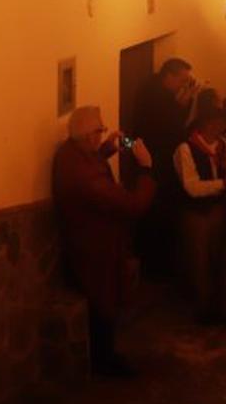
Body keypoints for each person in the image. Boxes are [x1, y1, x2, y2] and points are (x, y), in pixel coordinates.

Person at [52, 105, 155, 377]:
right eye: (101, 130)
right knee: (103, 302)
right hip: (95, 246)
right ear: (88, 136)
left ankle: (105, 357)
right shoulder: (85, 175)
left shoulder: (70, 153)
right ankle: (104, 361)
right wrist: (146, 169)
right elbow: (133, 205)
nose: (103, 133)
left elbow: (90, 163)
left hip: (89, 241)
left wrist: (108, 149)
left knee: (104, 300)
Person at [174, 110, 226, 327]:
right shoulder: (185, 149)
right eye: (217, 124)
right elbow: (191, 186)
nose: (221, 128)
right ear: (205, 124)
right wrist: (223, 184)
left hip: (223, 210)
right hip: (197, 213)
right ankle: (203, 310)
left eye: (222, 124)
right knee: (199, 263)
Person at [131, 57, 197, 276]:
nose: (183, 86)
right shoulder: (154, 97)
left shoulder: (160, 93)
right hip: (155, 160)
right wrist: (183, 104)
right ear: (169, 76)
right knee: (155, 215)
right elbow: (170, 128)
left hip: (157, 157)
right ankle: (155, 267)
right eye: (182, 80)